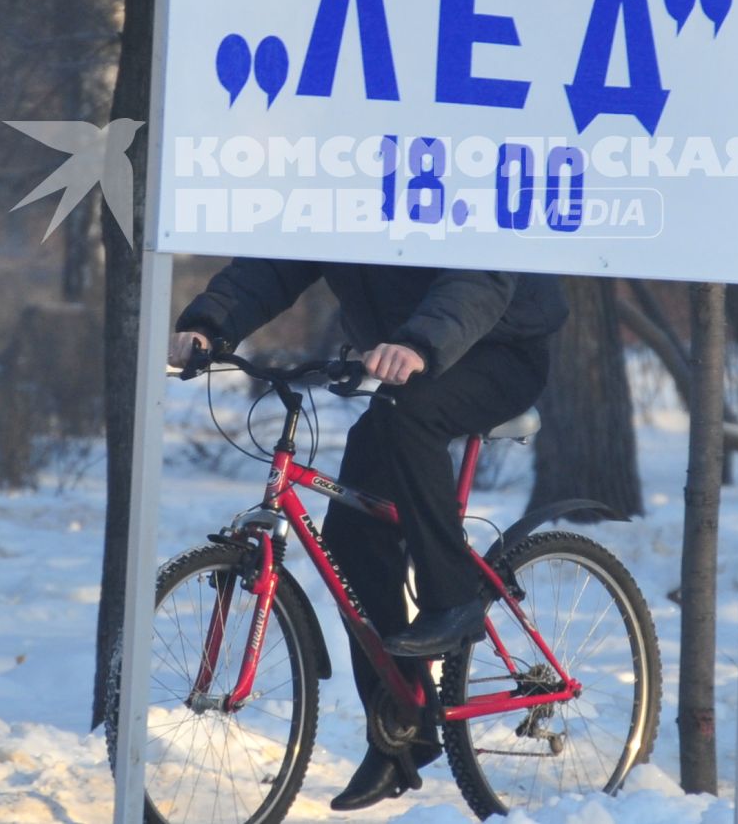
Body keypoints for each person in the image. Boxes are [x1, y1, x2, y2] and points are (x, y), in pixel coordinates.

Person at [169, 259, 567, 810]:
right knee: (353, 537)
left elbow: (481, 272)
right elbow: (278, 261)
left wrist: (421, 342)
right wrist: (210, 325)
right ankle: (401, 733)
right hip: (407, 362)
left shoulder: (444, 176)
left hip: (496, 346)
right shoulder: (340, 184)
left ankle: (452, 601)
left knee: (410, 419)